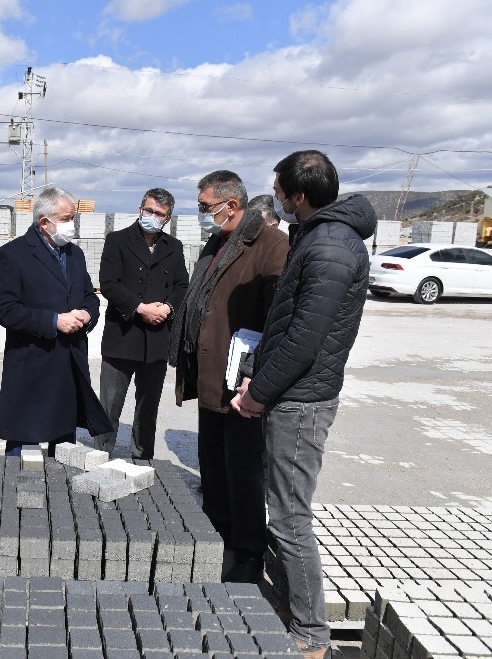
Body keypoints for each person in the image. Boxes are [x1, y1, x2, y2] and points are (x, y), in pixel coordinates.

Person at [232, 150, 376, 659]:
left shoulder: (332, 246)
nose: (274, 197)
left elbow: (304, 339)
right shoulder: (318, 236)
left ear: (299, 195)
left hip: (301, 401)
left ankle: (312, 636)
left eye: (278, 189)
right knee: (284, 511)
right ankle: (296, 608)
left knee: (290, 517)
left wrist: (258, 394)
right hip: (291, 393)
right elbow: (286, 325)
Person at [167, 170, 288, 583]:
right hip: (210, 371)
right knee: (213, 465)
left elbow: (279, 320)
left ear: (231, 205)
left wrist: (257, 376)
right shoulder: (218, 242)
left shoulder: (271, 245)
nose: (201, 214)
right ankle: (214, 532)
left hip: (242, 383)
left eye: (205, 207)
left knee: (244, 471)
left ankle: (249, 552)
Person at [0, 186, 111, 456]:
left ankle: (59, 494)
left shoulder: (74, 254)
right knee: (22, 449)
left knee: (65, 445)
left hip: (69, 362)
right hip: (33, 361)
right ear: (46, 222)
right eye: (67, 219)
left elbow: (90, 295)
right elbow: (6, 310)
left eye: (73, 218)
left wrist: (88, 314)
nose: (72, 225)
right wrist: (54, 321)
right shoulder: (12, 255)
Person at [97, 188, 189, 459]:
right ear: (140, 210)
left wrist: (168, 307)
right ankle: (102, 453)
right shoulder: (117, 240)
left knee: (148, 405)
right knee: (109, 404)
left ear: (167, 218)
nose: (152, 216)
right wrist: (139, 308)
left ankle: (142, 456)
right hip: (122, 334)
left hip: (157, 337)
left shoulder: (174, 247)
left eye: (159, 214)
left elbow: (182, 285)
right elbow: (109, 284)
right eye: (148, 210)